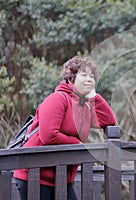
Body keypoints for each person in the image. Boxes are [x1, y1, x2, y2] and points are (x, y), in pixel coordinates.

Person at [13, 56, 116, 200]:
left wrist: (94, 97)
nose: (89, 79)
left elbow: (109, 122)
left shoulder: (84, 107)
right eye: (84, 75)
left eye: (92, 77)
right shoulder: (58, 99)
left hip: (62, 178)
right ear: (71, 78)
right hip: (35, 176)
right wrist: (78, 145)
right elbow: (48, 135)